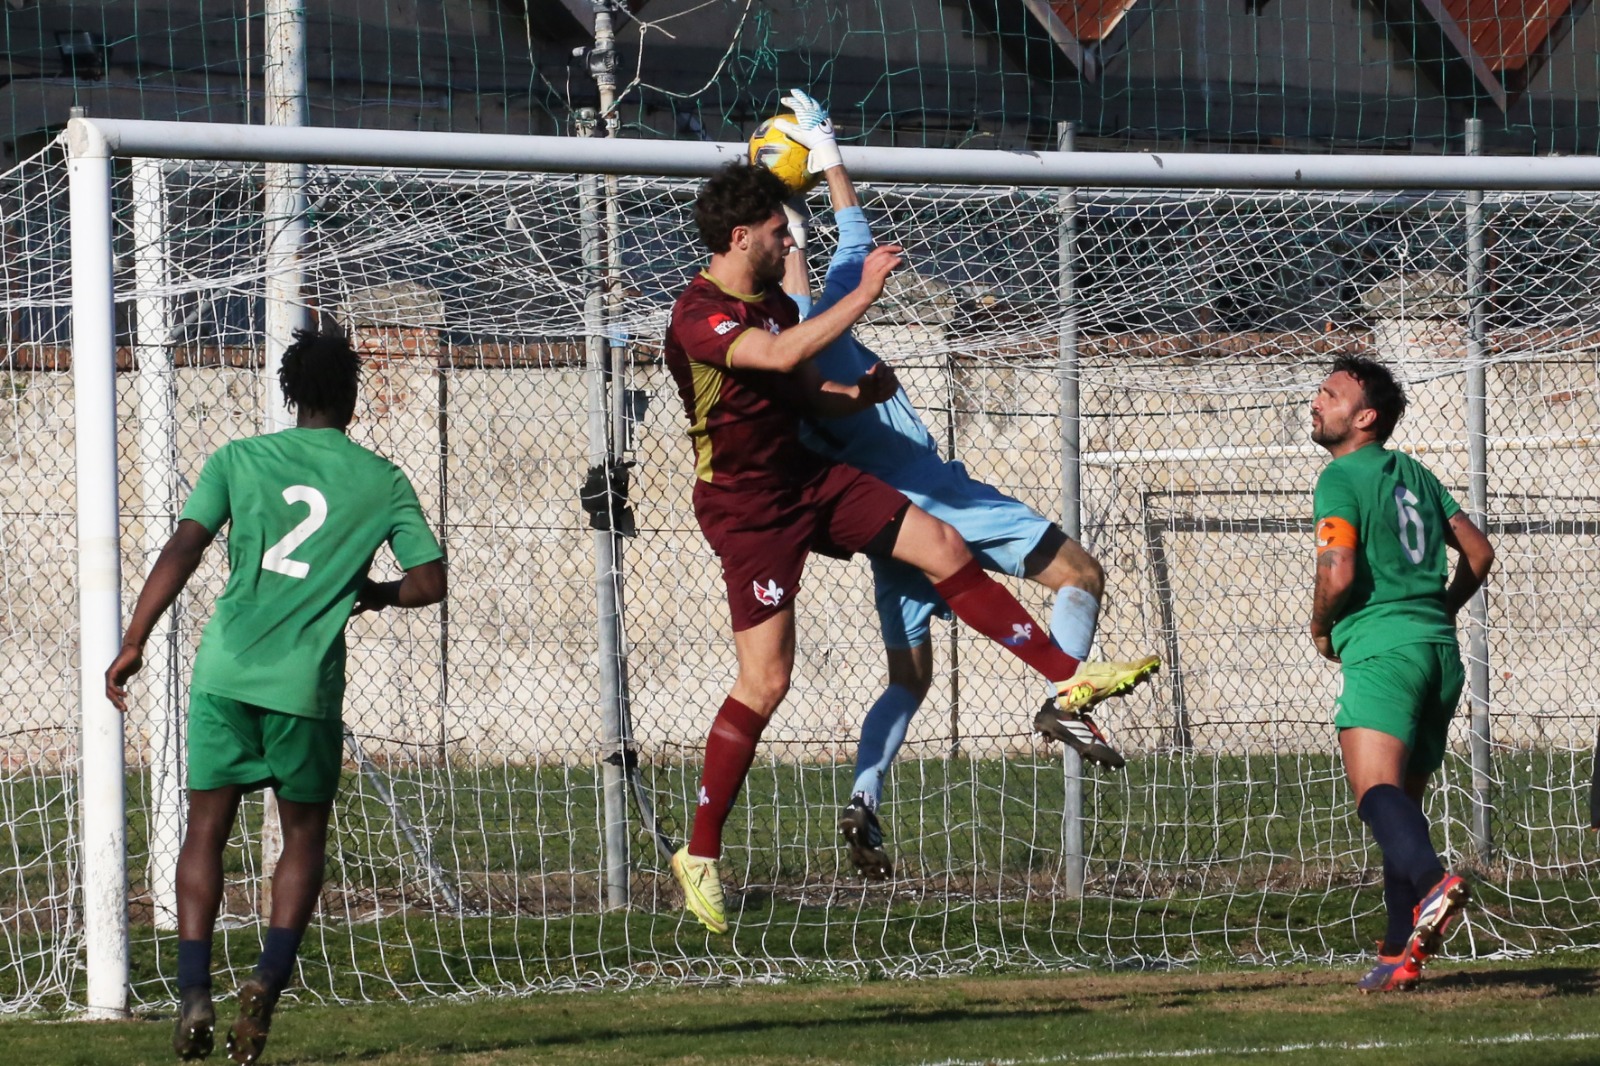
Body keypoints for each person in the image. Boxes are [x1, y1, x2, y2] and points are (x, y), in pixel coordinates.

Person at [661, 148, 1154, 936]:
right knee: (766, 683)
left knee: (943, 545)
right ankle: (701, 853)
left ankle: (1071, 682)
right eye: (779, 234)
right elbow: (779, 356)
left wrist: (857, 392)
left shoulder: (773, 308)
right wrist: (863, 292)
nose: (791, 245)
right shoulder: (700, 313)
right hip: (750, 513)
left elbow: (798, 385)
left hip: (814, 482)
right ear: (741, 234)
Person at [771, 88, 1160, 880]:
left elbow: (847, 243)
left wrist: (820, 167)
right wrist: (828, 150)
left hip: (881, 523)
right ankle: (1069, 695)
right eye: (788, 243)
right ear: (785, 269)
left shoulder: (779, 342)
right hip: (936, 495)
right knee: (1082, 573)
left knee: (908, 678)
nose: (797, 246)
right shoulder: (817, 323)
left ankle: (865, 798)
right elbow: (854, 239)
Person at [106, 329, 446, 1063]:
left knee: (204, 833)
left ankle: (194, 990)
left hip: (225, 673)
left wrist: (135, 639)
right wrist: (376, 593)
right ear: (352, 397)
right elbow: (431, 582)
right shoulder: (381, 480)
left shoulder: (238, 459)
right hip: (304, 687)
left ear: (291, 395)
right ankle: (265, 983)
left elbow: (184, 547)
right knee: (303, 837)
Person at [1308, 355, 1494, 992]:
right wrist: (1441, 607)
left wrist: (1320, 626)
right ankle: (1397, 952)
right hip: (1441, 656)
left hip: (1384, 653)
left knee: (1374, 794)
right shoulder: (1417, 474)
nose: (1315, 402)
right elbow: (1479, 552)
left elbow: (1337, 570)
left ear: (1363, 418)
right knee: (1403, 808)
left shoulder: (1340, 477)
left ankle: (1433, 883)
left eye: (1329, 395)